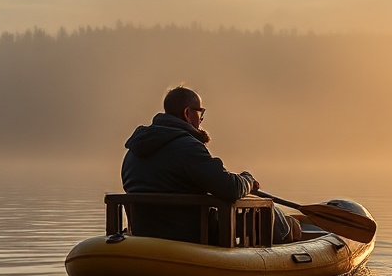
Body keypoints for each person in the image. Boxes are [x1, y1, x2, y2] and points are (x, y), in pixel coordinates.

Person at [121, 86, 301, 244]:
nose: (201, 120)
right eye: (200, 113)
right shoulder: (187, 147)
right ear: (187, 113)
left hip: (146, 236)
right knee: (270, 212)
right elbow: (229, 188)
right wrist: (248, 180)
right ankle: (288, 247)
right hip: (191, 235)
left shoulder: (133, 153)